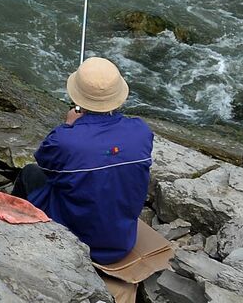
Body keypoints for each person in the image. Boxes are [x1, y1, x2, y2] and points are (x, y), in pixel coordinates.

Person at [15, 56, 154, 264]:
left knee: (30, 173)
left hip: (76, 242)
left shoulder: (65, 140)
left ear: (78, 97)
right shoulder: (142, 131)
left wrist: (68, 126)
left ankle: (9, 230)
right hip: (121, 243)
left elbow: (45, 163)